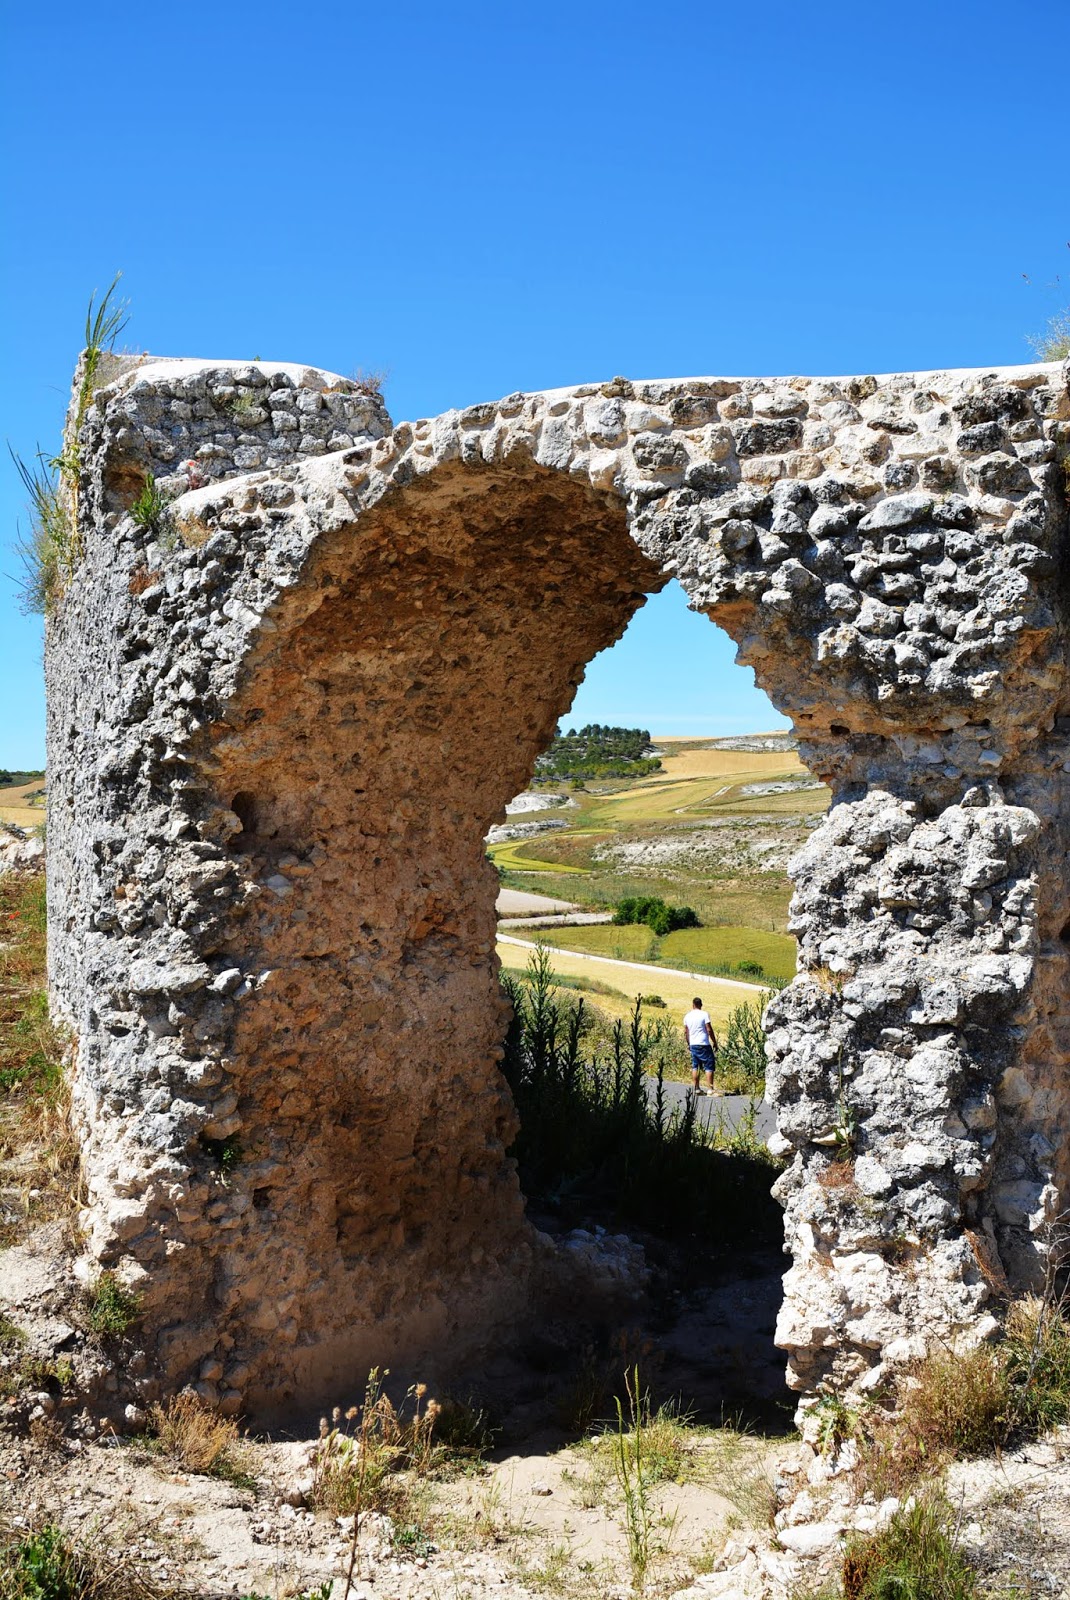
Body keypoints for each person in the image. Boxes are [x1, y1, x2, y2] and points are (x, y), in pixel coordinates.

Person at [683, 997, 718, 1095]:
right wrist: (714, 1042)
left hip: (693, 1044)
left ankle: (696, 1088)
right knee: (709, 1065)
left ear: (693, 1005)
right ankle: (710, 1089)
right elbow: (709, 1029)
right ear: (701, 1005)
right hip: (703, 1043)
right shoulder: (704, 1014)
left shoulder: (687, 1016)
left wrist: (689, 1043)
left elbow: (686, 1031)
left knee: (695, 1066)